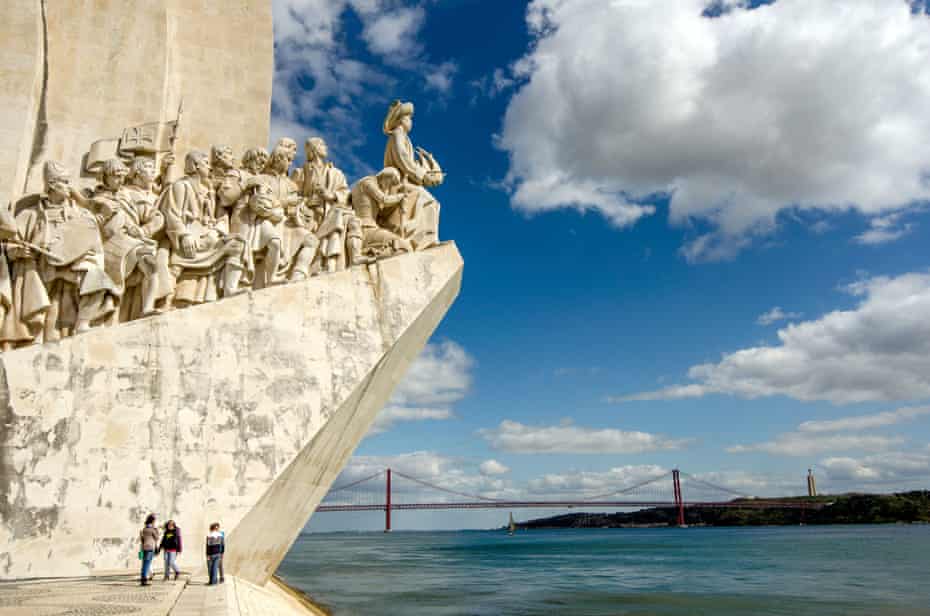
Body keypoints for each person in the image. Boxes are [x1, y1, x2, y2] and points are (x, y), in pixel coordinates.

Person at [139, 513, 160, 586]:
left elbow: (142, 539)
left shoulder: (144, 529)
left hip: (144, 547)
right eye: (154, 520)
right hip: (150, 548)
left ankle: (143, 579)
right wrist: (156, 530)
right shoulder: (152, 529)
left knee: (144, 564)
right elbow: (157, 538)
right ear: (152, 521)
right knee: (147, 564)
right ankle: (144, 580)